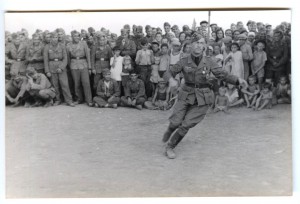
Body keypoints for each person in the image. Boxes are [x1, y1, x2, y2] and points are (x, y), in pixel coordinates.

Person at [161, 36, 247, 159]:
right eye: (196, 43)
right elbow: (168, 72)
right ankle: (170, 129)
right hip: (186, 94)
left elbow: (222, 74)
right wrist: (170, 80)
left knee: (186, 124)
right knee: (176, 121)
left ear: (204, 46)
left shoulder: (209, 61)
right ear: (191, 45)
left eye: (201, 43)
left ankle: (170, 146)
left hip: (203, 97)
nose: (199, 45)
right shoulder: (184, 61)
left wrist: (237, 80)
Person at [44, 32, 75, 107]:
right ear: (50, 39)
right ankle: (57, 100)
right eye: (53, 38)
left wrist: (61, 68)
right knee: (55, 85)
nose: (54, 39)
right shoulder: (47, 47)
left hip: (61, 66)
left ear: (58, 38)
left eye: (56, 37)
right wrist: (47, 71)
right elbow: (46, 60)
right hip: (51, 66)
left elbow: (65, 58)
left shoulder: (62, 46)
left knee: (65, 84)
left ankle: (69, 100)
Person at [67, 30, 93, 106]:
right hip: (74, 65)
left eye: (78, 36)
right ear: (72, 37)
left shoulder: (84, 44)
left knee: (86, 83)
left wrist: (89, 67)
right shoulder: (68, 45)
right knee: (76, 83)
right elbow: (68, 58)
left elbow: (88, 56)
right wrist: (70, 66)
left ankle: (89, 100)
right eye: (75, 36)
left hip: (83, 64)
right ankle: (79, 99)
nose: (77, 37)